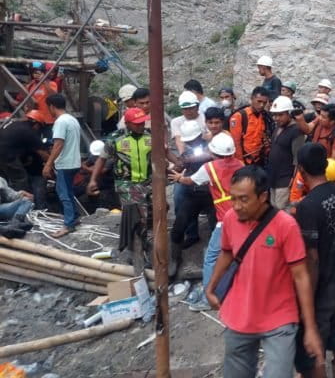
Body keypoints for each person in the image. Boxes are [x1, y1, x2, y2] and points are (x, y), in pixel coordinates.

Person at [205, 166, 324, 378]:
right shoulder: (230, 218)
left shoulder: (285, 226)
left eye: (243, 199)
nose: (236, 206)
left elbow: (301, 276)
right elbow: (227, 253)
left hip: (279, 318)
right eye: (233, 198)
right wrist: (211, 287)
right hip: (239, 315)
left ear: (262, 197)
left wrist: (310, 328)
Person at [88, 108, 179, 270]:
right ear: (127, 123)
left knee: (162, 208)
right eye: (136, 123)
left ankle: (144, 241)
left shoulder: (151, 137)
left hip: (149, 182)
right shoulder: (115, 139)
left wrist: (178, 163)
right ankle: (139, 252)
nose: (140, 126)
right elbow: (101, 160)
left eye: (142, 123)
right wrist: (93, 180)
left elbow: (166, 152)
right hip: (126, 184)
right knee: (139, 215)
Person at [293, 143, 335, 378]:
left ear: (301, 170)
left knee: (313, 351)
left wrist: (306, 298)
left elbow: (312, 258)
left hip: (323, 285)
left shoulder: (308, 205)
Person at [169, 132, 241, 284]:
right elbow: (180, 164)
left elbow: (190, 180)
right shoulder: (239, 163)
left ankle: (213, 283)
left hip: (213, 200)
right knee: (179, 225)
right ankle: (174, 259)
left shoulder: (210, 164)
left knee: (214, 244)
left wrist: (180, 178)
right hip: (197, 197)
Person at [170, 119, 215, 255]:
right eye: (189, 141)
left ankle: (217, 248)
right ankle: (180, 249)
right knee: (180, 223)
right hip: (193, 193)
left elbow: (208, 156)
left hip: (211, 193)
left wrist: (188, 160)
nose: (191, 143)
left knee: (216, 224)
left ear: (199, 136)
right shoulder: (187, 153)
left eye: (193, 140)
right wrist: (172, 162)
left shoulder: (212, 146)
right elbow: (179, 166)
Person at [42, 94, 81, 238]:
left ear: (52, 106)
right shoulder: (72, 119)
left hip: (65, 163)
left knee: (63, 194)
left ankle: (68, 224)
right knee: (68, 192)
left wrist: (48, 164)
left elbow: (58, 144)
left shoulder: (60, 122)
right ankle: (74, 217)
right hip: (74, 162)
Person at [268, 96, 306, 211]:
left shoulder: (296, 131)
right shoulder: (277, 128)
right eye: (275, 115)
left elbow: (297, 159)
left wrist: (293, 181)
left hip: (285, 179)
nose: (276, 118)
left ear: (289, 113)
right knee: (273, 207)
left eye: (280, 115)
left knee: (282, 209)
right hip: (273, 177)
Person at [229, 86, 273, 166]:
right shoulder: (239, 116)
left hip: (260, 160)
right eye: (259, 101)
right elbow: (236, 142)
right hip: (244, 161)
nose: (261, 105)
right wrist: (240, 162)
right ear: (252, 98)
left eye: (264, 102)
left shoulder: (265, 116)